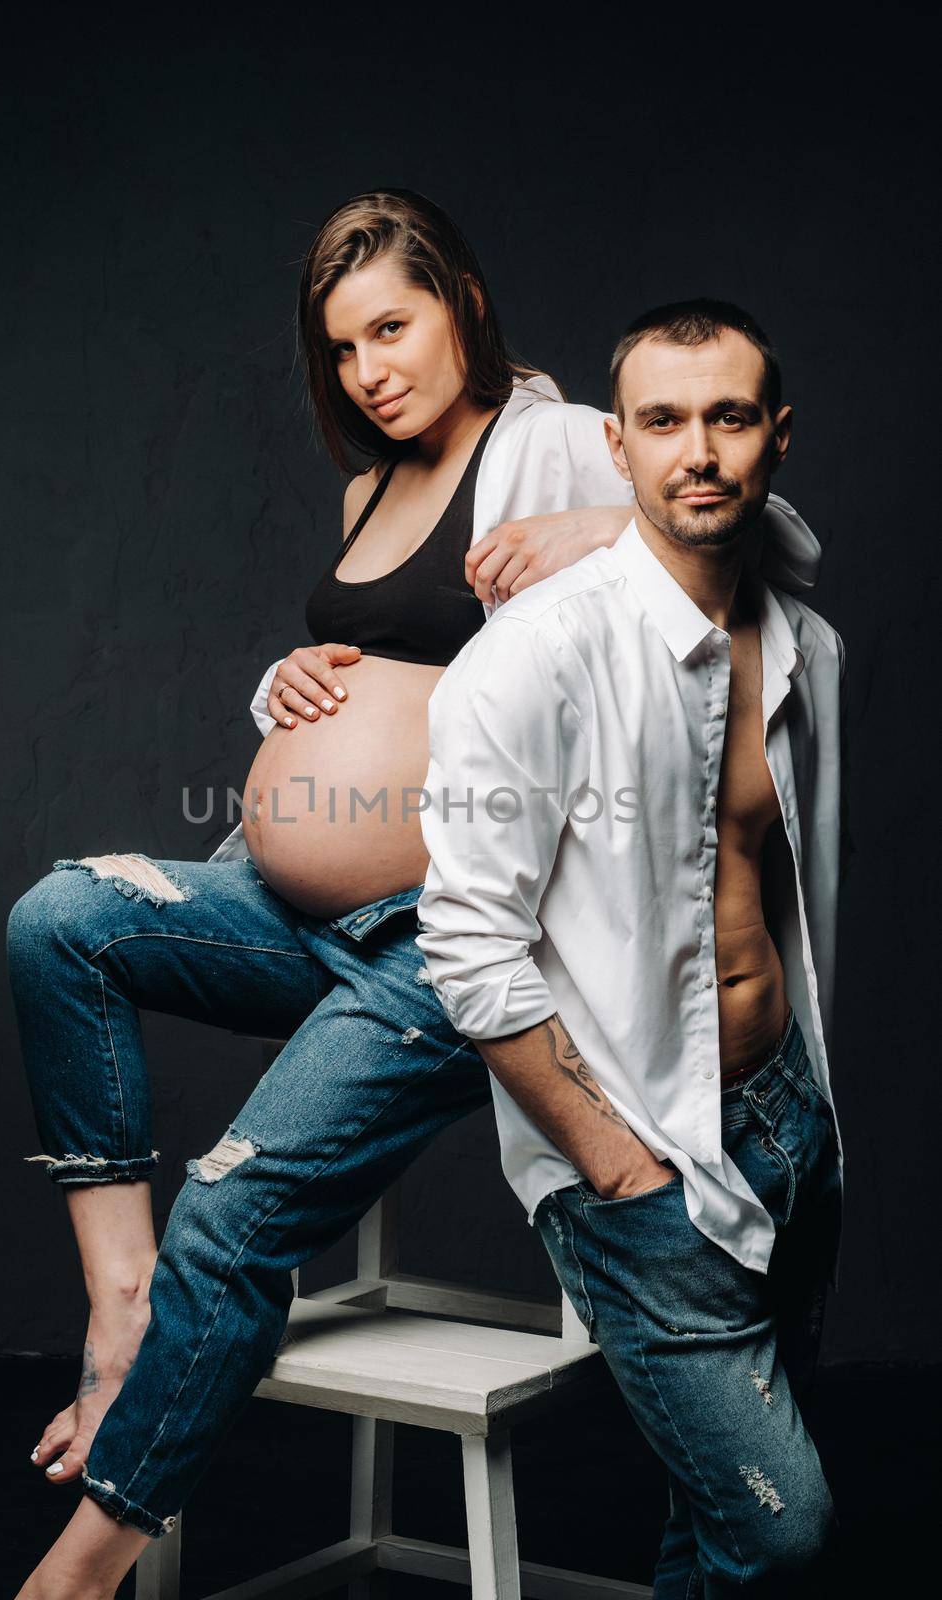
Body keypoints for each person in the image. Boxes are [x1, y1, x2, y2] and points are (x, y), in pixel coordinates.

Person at [7, 187, 821, 1599]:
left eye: (394, 325)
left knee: (239, 1203)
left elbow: (755, 525)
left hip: (436, 943)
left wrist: (597, 535)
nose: (370, 369)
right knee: (58, 919)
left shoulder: (563, 434)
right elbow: (383, 664)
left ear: (466, 306)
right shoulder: (367, 485)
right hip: (296, 908)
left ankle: (81, 1569)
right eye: (342, 348)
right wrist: (286, 682)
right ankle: (120, 1312)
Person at [416, 299, 849, 1596]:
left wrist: (807, 1101)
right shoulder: (535, 660)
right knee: (782, 1525)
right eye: (663, 419)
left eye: (728, 417)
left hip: (787, 1119)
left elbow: (778, 545)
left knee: (715, 1523)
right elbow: (466, 942)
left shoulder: (797, 643)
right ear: (617, 444)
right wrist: (616, 1168)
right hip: (639, 1144)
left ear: (777, 435)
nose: (697, 450)